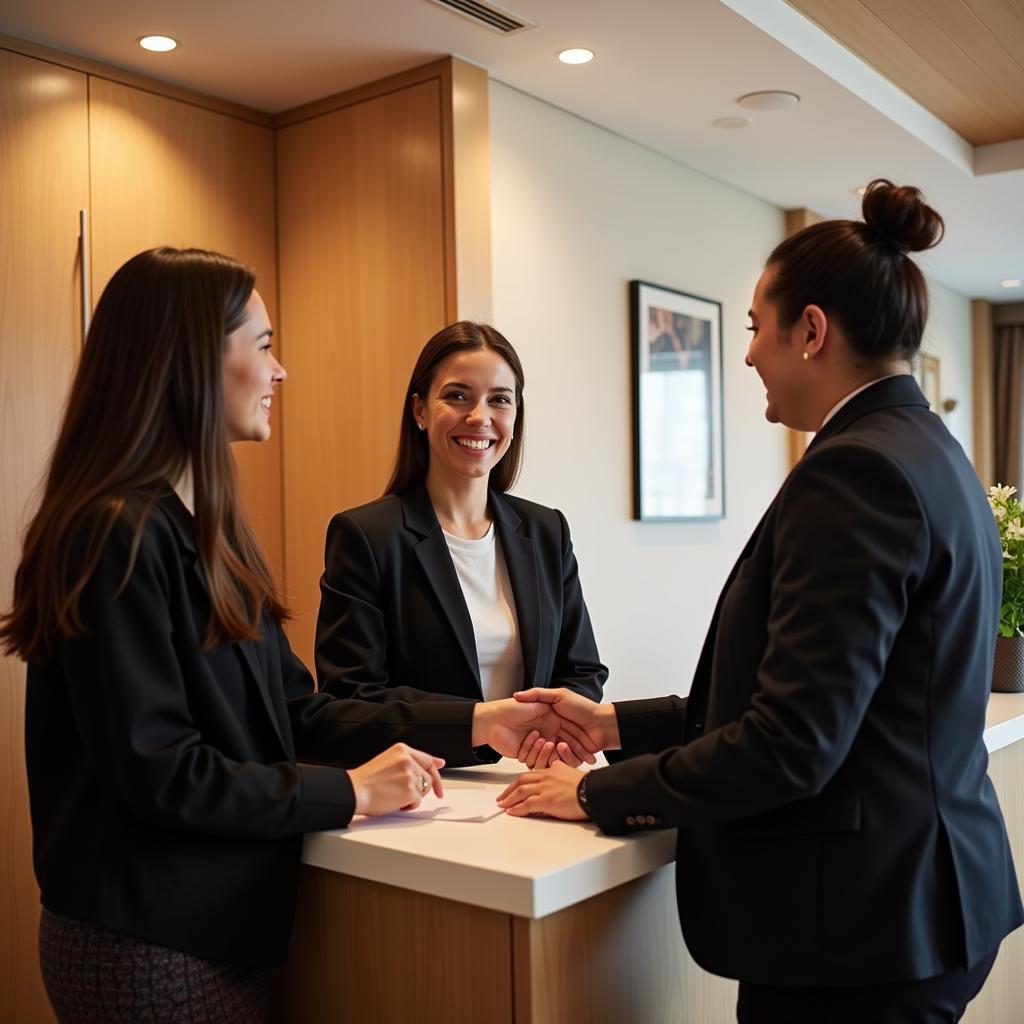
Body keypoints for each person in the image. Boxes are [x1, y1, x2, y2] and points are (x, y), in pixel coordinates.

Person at [0, 248, 590, 1023]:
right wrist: (348, 789)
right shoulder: (113, 533)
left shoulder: (204, 532)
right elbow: (161, 774)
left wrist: (481, 721)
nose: (280, 373)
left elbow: (299, 714)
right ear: (191, 358)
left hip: (220, 926)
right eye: (265, 346)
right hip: (145, 940)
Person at [496, 181, 1024, 1023]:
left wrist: (599, 790)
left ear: (810, 331)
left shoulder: (855, 473)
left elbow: (792, 742)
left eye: (752, 329)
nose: (744, 356)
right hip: (917, 902)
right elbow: (821, 697)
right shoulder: (930, 451)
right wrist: (610, 728)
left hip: (862, 930)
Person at [315, 320, 606, 768]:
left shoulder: (546, 530)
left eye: (499, 400)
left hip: (534, 776)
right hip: (423, 788)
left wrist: (551, 732)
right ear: (419, 410)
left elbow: (582, 670)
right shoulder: (366, 536)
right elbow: (351, 697)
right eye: (457, 396)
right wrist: (481, 721)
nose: (479, 417)